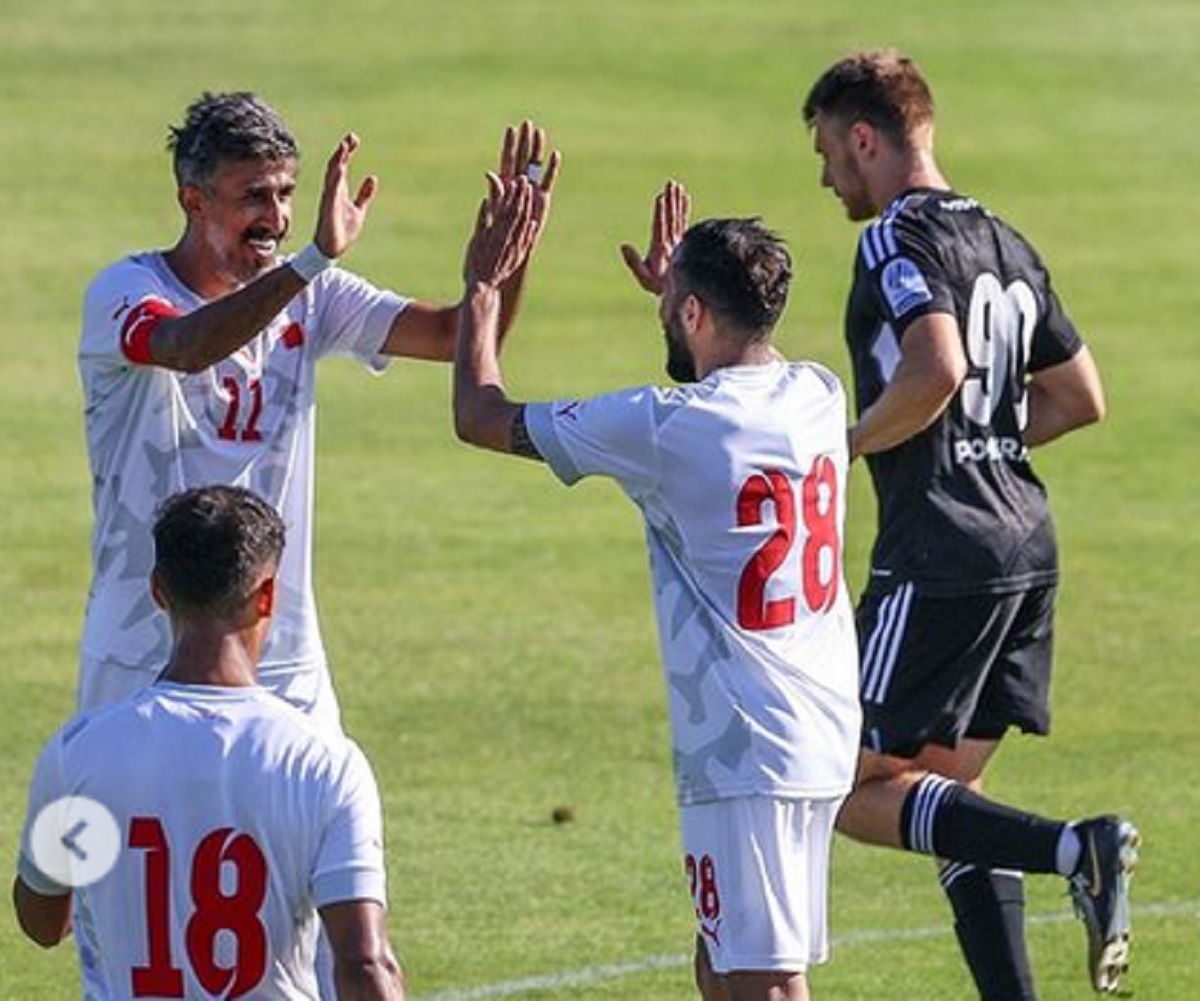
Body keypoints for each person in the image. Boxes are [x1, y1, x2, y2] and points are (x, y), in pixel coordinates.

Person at [452, 174, 861, 1001]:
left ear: (696, 314)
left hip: (747, 744)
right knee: (722, 960)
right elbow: (724, 391)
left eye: (671, 301)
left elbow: (479, 414)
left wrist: (483, 295)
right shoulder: (818, 393)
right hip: (816, 724)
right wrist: (682, 299)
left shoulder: (663, 425)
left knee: (764, 981)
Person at [801, 49, 1139, 997]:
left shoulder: (893, 241)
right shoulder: (1004, 236)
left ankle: (1079, 847)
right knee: (946, 793)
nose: (827, 177)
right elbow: (1080, 397)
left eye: (830, 152)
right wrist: (986, 441)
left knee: (838, 782)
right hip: (1026, 542)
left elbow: (938, 367)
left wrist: (859, 443)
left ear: (865, 138)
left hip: (940, 552)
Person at [77, 92, 560, 731]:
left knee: (310, 830)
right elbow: (184, 347)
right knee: (134, 832)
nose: (275, 217)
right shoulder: (127, 292)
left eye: (285, 194)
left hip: (280, 655)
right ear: (194, 201)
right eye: (254, 196)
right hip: (144, 650)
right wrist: (312, 261)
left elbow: (457, 339)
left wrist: (496, 273)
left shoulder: (313, 292)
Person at [14, 484, 404, 999]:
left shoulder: (79, 753)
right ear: (266, 596)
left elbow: (43, 920)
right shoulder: (324, 762)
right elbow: (364, 963)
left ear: (158, 589)